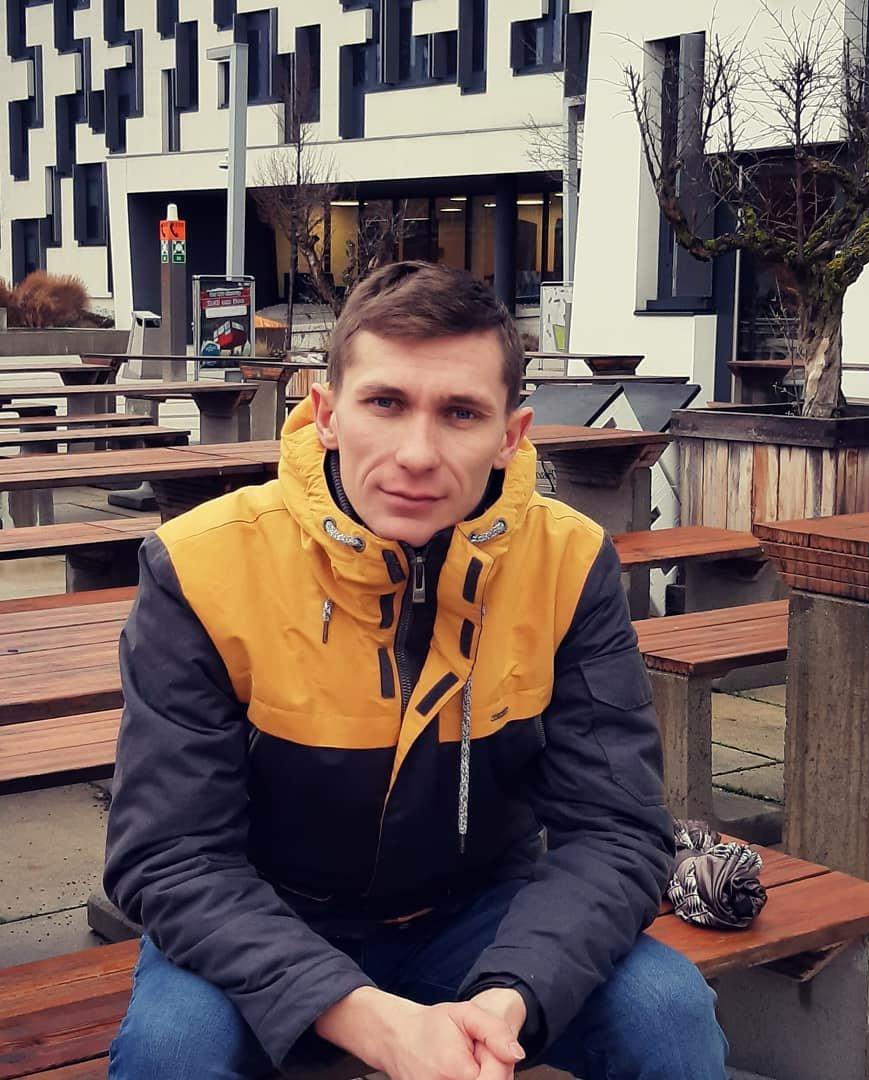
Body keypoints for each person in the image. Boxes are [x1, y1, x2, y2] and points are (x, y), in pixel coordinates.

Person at [103, 261, 729, 1079]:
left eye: (460, 413)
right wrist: (366, 1017)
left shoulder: (568, 562)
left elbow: (616, 830)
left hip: (478, 916)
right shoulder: (201, 565)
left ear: (512, 434)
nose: (418, 454)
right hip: (263, 914)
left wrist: (508, 999)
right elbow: (170, 855)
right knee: (171, 1053)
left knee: (668, 1010)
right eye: (386, 403)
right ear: (326, 414)